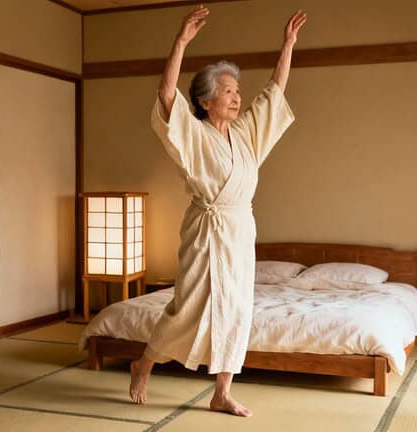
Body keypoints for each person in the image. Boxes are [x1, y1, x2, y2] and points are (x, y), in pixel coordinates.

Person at [130, 5, 306, 417]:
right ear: (206, 101)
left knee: (238, 309)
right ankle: (144, 363)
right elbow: (166, 96)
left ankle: (221, 391)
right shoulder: (193, 134)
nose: (236, 96)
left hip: (240, 230)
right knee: (188, 307)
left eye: (236, 90)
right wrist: (181, 43)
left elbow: (274, 94)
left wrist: (288, 46)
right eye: (227, 90)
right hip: (205, 231)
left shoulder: (245, 135)